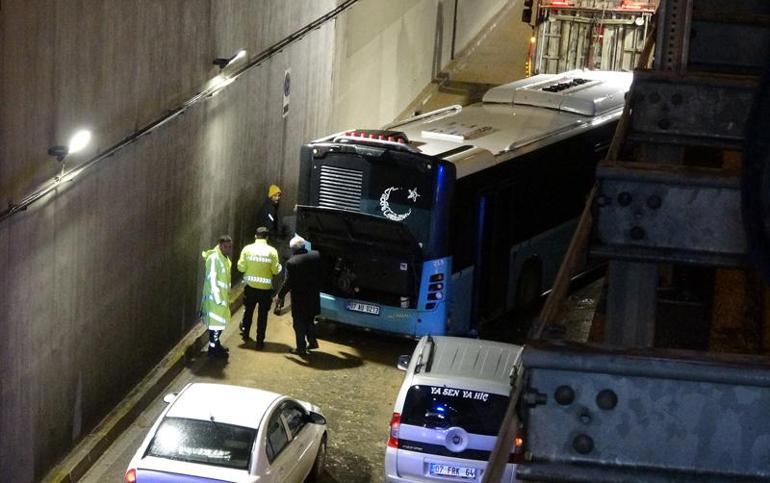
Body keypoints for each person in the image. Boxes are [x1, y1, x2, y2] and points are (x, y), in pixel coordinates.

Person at [237, 226, 282, 349]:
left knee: (248, 311)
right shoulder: (272, 251)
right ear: (267, 237)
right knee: (263, 316)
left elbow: (240, 267)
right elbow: (275, 270)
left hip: (250, 288)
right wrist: (280, 267)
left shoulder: (247, 249)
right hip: (265, 290)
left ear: (255, 236)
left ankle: (245, 334)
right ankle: (260, 341)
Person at [276, 235, 321, 356]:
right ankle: (312, 342)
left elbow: (288, 283)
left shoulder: (292, 262)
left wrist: (280, 296)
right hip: (313, 297)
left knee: (299, 324)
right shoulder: (316, 255)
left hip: (300, 299)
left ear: (293, 249)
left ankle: (301, 348)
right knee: (310, 320)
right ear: (304, 246)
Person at [256, 184, 289, 314]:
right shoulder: (269, 209)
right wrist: (275, 238)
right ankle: (271, 292)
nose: (277, 197)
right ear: (270, 195)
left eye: (279, 195)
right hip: (269, 242)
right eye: (275, 195)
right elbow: (270, 226)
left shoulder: (272, 207)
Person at [200, 236, 233, 359]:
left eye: (230, 247)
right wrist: (218, 298)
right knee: (215, 327)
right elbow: (212, 279)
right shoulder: (214, 258)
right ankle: (212, 351)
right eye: (225, 246)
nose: (228, 249)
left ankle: (216, 345)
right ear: (220, 245)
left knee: (219, 325)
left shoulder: (224, 259)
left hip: (222, 299)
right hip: (215, 300)